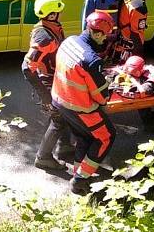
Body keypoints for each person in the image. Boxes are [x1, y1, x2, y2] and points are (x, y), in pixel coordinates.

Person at [50, 11, 116, 194]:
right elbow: (101, 96)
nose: (105, 40)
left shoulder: (69, 41)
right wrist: (109, 84)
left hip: (60, 100)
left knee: (85, 136)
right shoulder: (91, 61)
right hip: (80, 107)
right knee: (106, 136)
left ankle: (79, 171)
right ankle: (80, 180)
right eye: (105, 35)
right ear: (96, 33)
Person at [24, 0, 73, 170]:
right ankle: (43, 157)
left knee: (65, 114)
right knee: (58, 119)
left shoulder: (50, 27)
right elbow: (27, 67)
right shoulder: (44, 39)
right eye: (58, 11)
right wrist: (44, 95)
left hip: (54, 80)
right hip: (47, 83)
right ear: (52, 14)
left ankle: (65, 146)